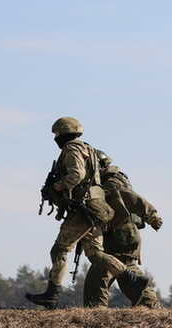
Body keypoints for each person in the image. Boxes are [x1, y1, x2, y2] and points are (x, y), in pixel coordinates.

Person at [25, 117, 150, 309]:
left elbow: (77, 174)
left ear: (63, 133)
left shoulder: (72, 148)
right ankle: (130, 277)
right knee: (95, 253)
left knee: (59, 250)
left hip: (83, 210)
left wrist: (58, 186)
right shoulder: (89, 149)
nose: (56, 138)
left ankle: (52, 294)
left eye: (57, 134)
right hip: (97, 209)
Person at [83, 151, 163, 308]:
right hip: (123, 236)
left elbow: (131, 198)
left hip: (121, 237)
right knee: (124, 272)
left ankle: (95, 312)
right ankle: (150, 305)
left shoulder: (111, 183)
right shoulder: (106, 181)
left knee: (102, 275)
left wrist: (152, 216)